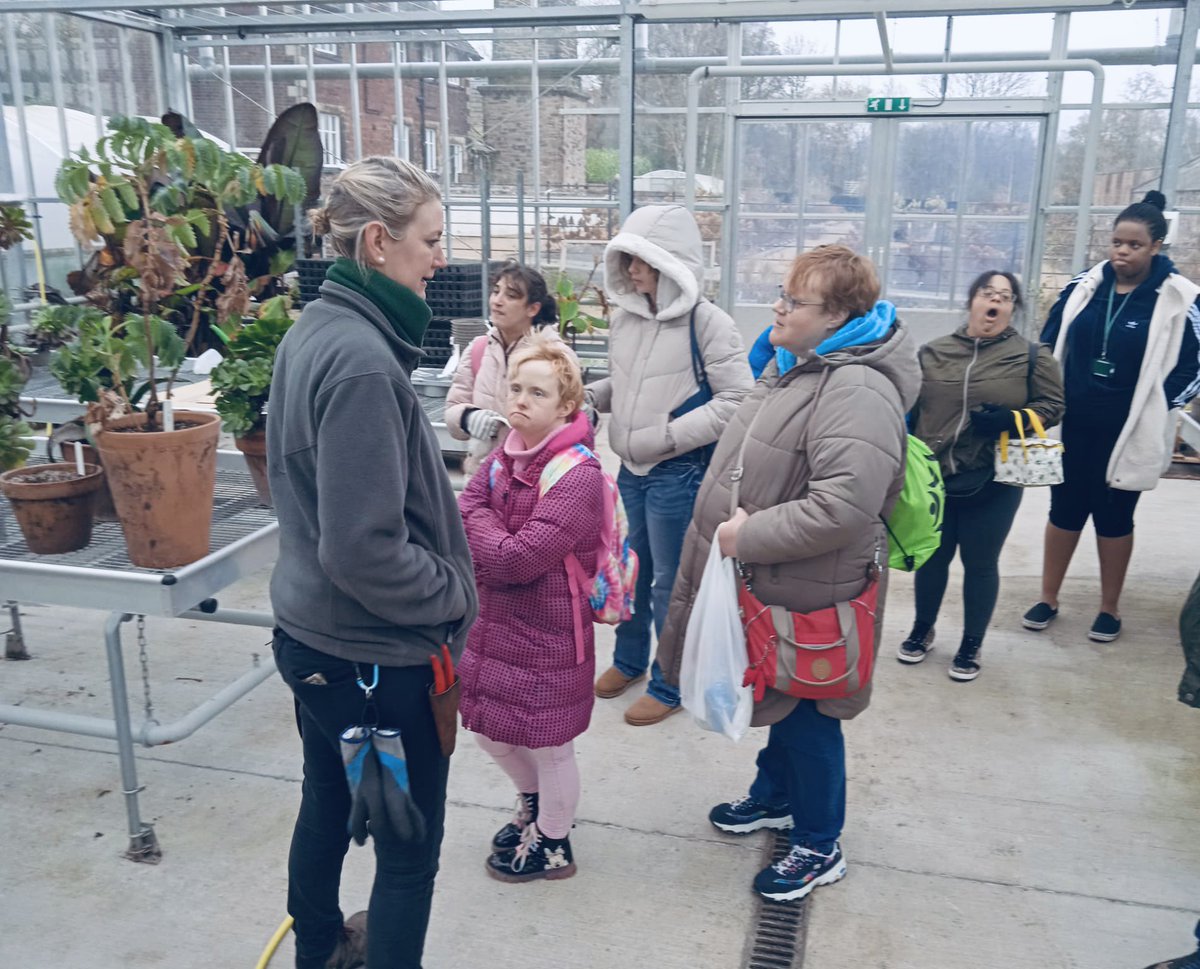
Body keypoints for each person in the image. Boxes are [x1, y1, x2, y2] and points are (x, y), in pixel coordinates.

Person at [655, 245, 920, 901]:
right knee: (784, 694)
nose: (777, 305)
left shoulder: (855, 388)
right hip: (778, 582)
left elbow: (843, 507)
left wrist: (747, 535)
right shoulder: (804, 368)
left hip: (811, 589)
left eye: (792, 300)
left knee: (809, 714)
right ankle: (774, 796)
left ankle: (819, 841)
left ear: (835, 316)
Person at [267, 156, 478, 969]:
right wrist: (451, 595)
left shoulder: (316, 329)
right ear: (380, 242)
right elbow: (362, 547)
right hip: (373, 658)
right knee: (407, 848)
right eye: (430, 240)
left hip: (316, 642)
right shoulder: (359, 361)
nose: (441, 257)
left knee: (327, 797)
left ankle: (319, 949)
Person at [587, 203, 753, 726]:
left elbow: (737, 400)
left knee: (669, 583)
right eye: (629, 259)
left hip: (676, 476)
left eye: (643, 260)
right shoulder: (628, 317)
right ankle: (629, 661)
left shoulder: (708, 323)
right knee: (628, 572)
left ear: (671, 262)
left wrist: (666, 438)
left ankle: (670, 680)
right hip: (629, 473)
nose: (632, 270)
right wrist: (587, 397)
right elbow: (627, 385)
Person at [457, 334, 604, 883]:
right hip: (496, 624)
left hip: (548, 632)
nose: (518, 401)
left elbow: (518, 560)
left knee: (549, 744)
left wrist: (480, 530)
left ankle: (554, 844)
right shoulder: (505, 454)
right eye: (515, 388)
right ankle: (536, 807)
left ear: (566, 406)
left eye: (536, 393)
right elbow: (466, 502)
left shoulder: (578, 475)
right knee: (491, 731)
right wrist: (484, 526)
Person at [1024, 192, 1200, 643]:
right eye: (1116, 242)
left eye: (1134, 245)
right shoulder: (1083, 288)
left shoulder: (1179, 298)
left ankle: (1109, 608)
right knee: (1063, 509)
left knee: (1115, 516)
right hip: (1076, 423)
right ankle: (1048, 598)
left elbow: (1192, 365)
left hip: (1128, 430)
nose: (1122, 251)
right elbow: (1049, 339)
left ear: (1156, 246)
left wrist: (1155, 405)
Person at [898, 271, 1064, 680]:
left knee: (980, 562)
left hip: (995, 477)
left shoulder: (1030, 356)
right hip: (935, 477)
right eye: (987, 293)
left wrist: (1015, 419)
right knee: (932, 557)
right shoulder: (933, 353)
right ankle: (923, 629)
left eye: (1005, 297)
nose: (995, 302)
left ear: (1012, 308)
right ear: (972, 300)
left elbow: (1054, 405)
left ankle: (972, 643)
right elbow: (910, 410)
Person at [444, 260, 570, 476]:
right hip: (483, 477)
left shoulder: (556, 355)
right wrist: (468, 418)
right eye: (496, 292)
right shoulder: (479, 349)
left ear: (533, 308)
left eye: (511, 296)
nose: (497, 301)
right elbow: (454, 407)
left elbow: (570, 419)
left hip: (534, 478)